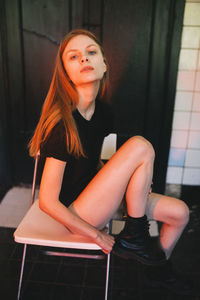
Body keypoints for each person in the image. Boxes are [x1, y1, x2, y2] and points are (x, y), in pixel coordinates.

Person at [29, 29, 191, 294]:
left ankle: (156, 270)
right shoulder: (62, 123)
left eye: (91, 53)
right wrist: (96, 235)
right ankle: (135, 235)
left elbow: (92, 167)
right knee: (140, 145)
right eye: (74, 56)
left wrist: (131, 182)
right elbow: (47, 201)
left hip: (99, 197)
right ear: (65, 73)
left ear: (104, 64)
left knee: (180, 213)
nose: (84, 59)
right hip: (76, 212)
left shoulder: (103, 112)